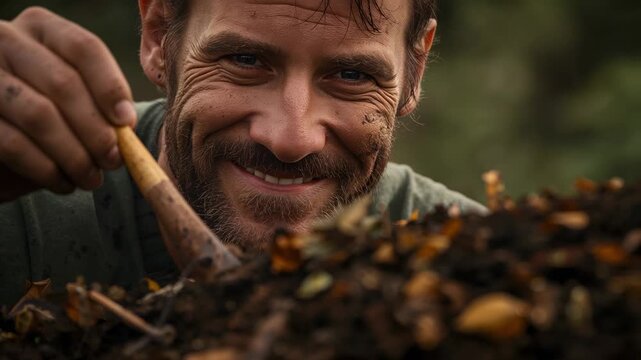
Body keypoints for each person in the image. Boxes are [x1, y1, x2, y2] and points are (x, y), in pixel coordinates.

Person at [0, 0, 485, 306]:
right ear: (158, 35)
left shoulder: (480, 265)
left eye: (353, 75)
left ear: (415, 69)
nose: (292, 138)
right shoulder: (19, 214)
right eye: (245, 60)